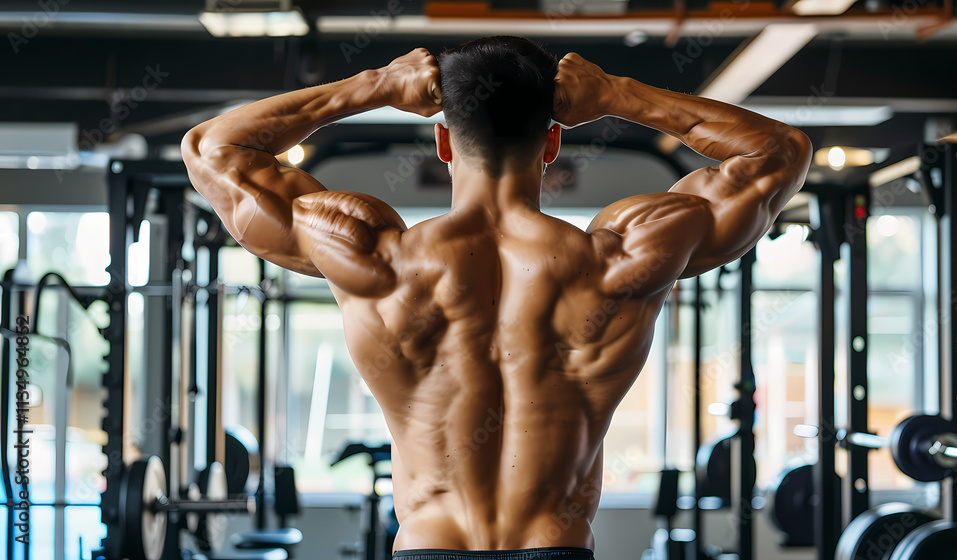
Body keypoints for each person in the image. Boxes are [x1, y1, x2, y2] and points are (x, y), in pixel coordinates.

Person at [182, 36, 811, 560]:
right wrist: (620, 94)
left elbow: (211, 148)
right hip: (557, 546)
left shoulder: (375, 259)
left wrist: (375, 85)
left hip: (429, 547)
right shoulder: (620, 260)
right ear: (553, 145)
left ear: (444, 143)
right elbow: (779, 151)